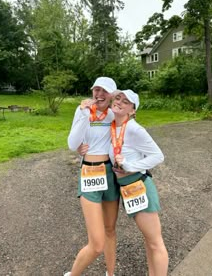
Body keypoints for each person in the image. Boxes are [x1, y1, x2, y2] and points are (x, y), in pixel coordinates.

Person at [109, 89, 169, 276]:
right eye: (118, 98)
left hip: (139, 185)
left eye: (125, 101)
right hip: (127, 189)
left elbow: (158, 156)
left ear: (132, 110)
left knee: (155, 242)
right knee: (148, 240)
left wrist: (131, 166)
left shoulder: (134, 129)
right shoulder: (112, 126)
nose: (119, 102)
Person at [65, 77, 120, 276]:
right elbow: (72, 144)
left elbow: (126, 130)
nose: (99, 95)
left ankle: (110, 274)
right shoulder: (82, 111)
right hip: (89, 170)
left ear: (112, 94)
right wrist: (84, 114)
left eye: (104, 91)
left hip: (110, 173)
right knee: (96, 243)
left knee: (110, 230)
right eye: (96, 90)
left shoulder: (114, 114)